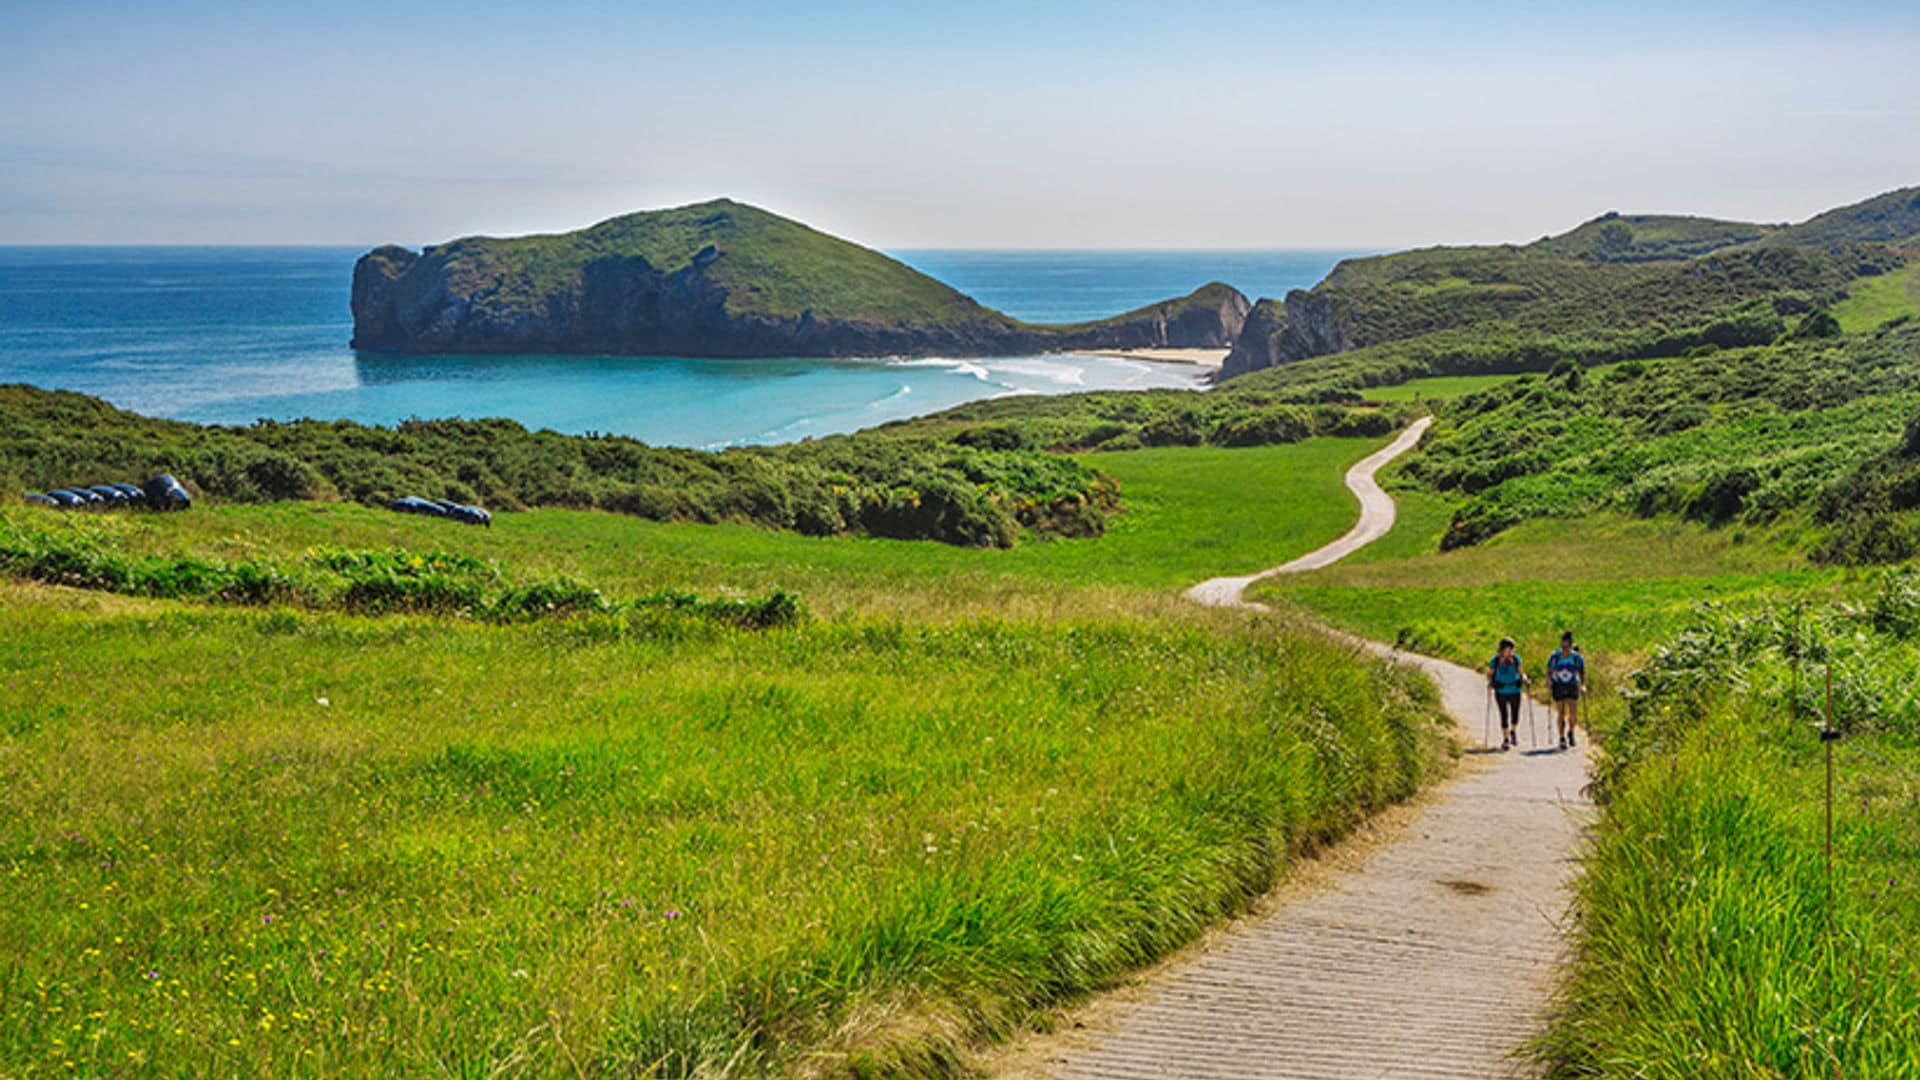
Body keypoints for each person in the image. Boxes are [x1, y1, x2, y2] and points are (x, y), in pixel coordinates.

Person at [1486, 637, 1528, 750]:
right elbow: (1489, 674)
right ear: (1502, 649)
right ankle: (1505, 739)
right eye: (1508, 649)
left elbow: (1521, 673)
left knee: (1515, 714)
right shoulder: (1495, 661)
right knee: (1503, 714)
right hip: (1501, 690)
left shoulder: (1516, 659)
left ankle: (1513, 731)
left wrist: (1525, 679)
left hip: (1515, 690)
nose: (1510, 652)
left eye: (1511, 649)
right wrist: (1490, 683)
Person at [1547, 630, 1586, 749]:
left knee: (1573, 713)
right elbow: (1549, 670)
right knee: (1561, 712)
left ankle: (1571, 731)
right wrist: (1549, 681)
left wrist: (1583, 685)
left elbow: (1582, 672)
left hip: (1572, 685)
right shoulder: (1555, 656)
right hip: (1558, 685)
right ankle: (1562, 737)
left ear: (1570, 646)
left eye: (1566, 647)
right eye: (1562, 646)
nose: (1564, 649)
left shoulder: (1576, 657)